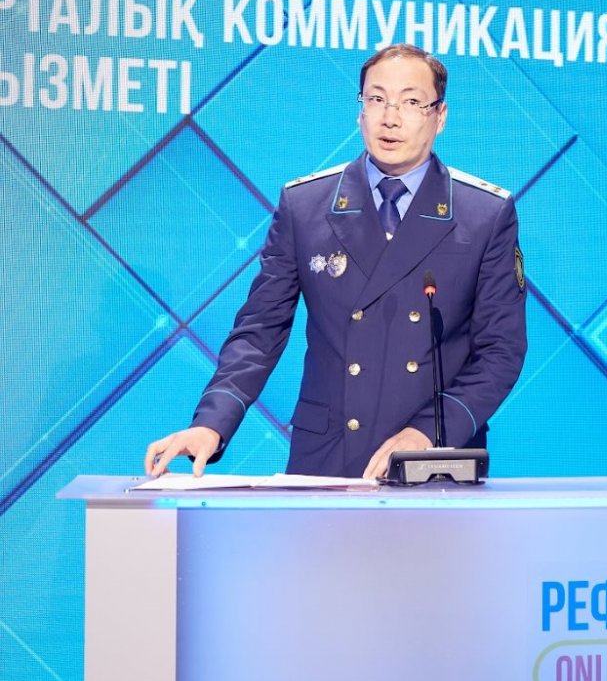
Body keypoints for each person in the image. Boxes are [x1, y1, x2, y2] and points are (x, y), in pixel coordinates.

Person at [145, 44, 527, 480]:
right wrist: (211, 423)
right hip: (326, 456)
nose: (390, 118)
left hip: (432, 457)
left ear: (440, 116)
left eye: (411, 102)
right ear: (360, 111)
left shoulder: (484, 215)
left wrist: (426, 434)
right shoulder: (305, 205)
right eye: (377, 99)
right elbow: (259, 331)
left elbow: (500, 353)